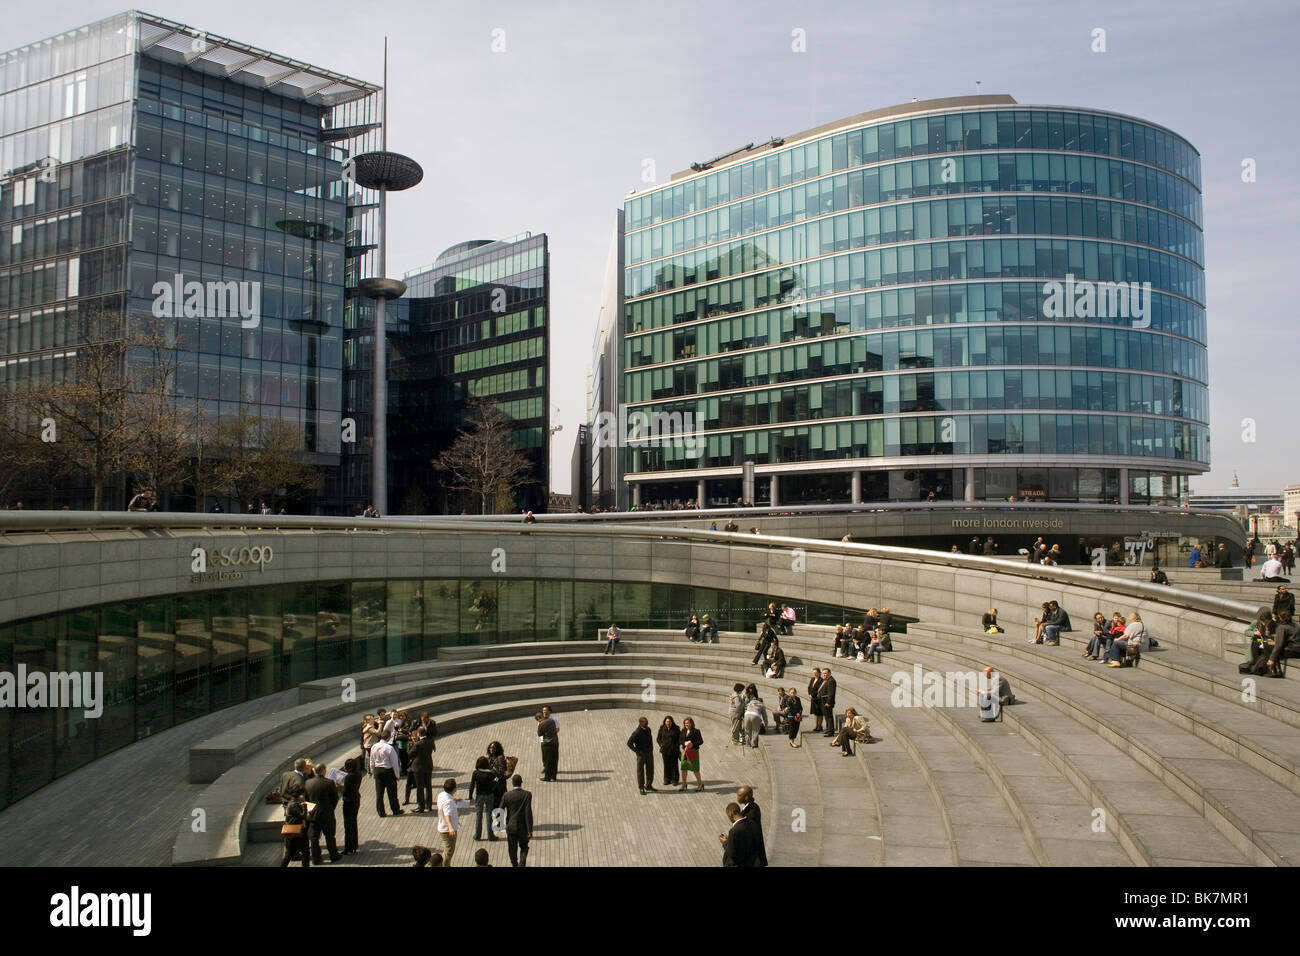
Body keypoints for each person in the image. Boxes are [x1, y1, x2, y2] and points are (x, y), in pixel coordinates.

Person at [304, 762, 341, 864]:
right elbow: (335, 798)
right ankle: (334, 855)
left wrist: (310, 810)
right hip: (326, 814)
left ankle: (316, 859)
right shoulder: (329, 783)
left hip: (313, 815)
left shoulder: (308, 783)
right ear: (323, 770)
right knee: (329, 836)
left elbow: (306, 799)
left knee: (314, 838)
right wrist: (331, 808)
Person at [499, 774, 534, 867]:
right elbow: (528, 813)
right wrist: (530, 829)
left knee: (512, 849)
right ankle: (522, 864)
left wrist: (498, 825)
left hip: (511, 827)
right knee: (524, 847)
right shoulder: (527, 795)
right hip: (523, 827)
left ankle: (514, 864)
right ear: (521, 782)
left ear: (512, 783)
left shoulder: (506, 795)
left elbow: (500, 810)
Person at [370, 732, 403, 817]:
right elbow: (395, 763)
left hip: (378, 770)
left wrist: (373, 771)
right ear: (388, 738)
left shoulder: (374, 746)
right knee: (392, 792)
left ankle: (381, 812)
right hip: (388, 771)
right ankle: (395, 810)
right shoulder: (389, 748)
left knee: (379, 793)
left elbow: (371, 760)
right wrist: (397, 775)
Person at [720, 802, 762, 867]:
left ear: (731, 814)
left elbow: (732, 853)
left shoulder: (734, 831)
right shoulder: (752, 823)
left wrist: (725, 842)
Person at [735, 785, 768, 866]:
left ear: (746, 797)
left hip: (753, 858)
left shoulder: (751, 813)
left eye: (739, 795)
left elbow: (747, 834)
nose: (737, 797)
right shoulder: (753, 807)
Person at [469, 756, 499, 840]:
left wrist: (470, 796)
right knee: (489, 816)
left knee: (478, 816)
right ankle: (490, 836)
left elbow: (472, 785)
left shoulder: (475, 773)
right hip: (489, 795)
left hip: (479, 796)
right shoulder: (491, 773)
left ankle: (477, 835)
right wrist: (493, 786)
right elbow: (496, 781)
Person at [280, 792, 310, 868]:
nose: (303, 796)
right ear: (298, 796)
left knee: (290, 853)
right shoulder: (294, 805)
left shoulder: (291, 803)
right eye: (302, 795)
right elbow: (303, 816)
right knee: (304, 853)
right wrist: (304, 805)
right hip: (296, 832)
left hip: (294, 833)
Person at [628, 716, 656, 794]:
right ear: (641, 723)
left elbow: (650, 740)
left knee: (650, 770)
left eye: (647, 723)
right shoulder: (637, 732)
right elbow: (629, 743)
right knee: (640, 771)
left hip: (649, 753)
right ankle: (641, 787)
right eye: (645, 723)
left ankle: (649, 785)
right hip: (641, 755)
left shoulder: (648, 729)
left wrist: (651, 749)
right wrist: (637, 752)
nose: (647, 725)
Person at [435, 778, 460, 866]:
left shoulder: (442, 794)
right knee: (449, 851)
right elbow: (447, 815)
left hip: (442, 826)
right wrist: (450, 827)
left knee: (447, 850)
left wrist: (453, 799)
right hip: (447, 830)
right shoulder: (448, 802)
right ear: (454, 789)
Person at [341, 758, 362, 855]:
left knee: (348, 825)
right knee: (354, 822)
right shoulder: (358, 774)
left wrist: (339, 787)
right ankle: (354, 844)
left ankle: (348, 847)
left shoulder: (348, 777)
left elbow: (345, 791)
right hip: (356, 800)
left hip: (349, 802)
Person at [678, 717, 703, 791]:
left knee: (695, 769)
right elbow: (680, 740)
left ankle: (700, 784)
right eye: (685, 723)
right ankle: (684, 784)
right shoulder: (683, 730)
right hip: (684, 752)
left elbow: (700, 741)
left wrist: (692, 744)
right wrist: (684, 743)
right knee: (683, 768)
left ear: (691, 723)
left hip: (693, 752)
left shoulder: (696, 731)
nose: (686, 724)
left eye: (688, 723)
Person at [657, 716, 682, 787]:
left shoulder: (676, 729)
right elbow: (658, 739)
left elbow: (679, 739)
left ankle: (675, 780)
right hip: (665, 751)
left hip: (674, 750)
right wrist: (661, 744)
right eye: (667, 721)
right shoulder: (662, 729)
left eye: (669, 721)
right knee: (666, 765)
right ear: (665, 722)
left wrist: (676, 745)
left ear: (672, 722)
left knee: (674, 765)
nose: (668, 723)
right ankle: (667, 779)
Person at [536, 708, 559, 782]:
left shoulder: (541, 723)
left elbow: (539, 734)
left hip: (547, 743)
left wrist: (540, 724)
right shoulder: (552, 720)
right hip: (555, 742)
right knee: (554, 760)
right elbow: (556, 729)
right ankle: (553, 777)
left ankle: (547, 777)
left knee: (547, 760)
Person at [816, 667, 838, 736]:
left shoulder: (831, 681)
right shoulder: (826, 680)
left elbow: (831, 693)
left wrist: (828, 702)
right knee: (826, 716)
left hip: (827, 702)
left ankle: (830, 732)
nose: (824, 675)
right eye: (823, 673)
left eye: (825, 673)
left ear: (829, 673)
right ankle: (828, 729)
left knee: (829, 717)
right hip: (823, 701)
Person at [808, 667, 824, 732]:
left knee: (820, 713)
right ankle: (816, 725)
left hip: (818, 699)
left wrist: (812, 695)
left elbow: (818, 690)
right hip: (813, 699)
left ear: (819, 673)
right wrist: (809, 694)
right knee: (815, 712)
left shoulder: (821, 680)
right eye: (814, 673)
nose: (815, 674)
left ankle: (820, 725)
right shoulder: (812, 679)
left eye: (816, 672)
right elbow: (809, 687)